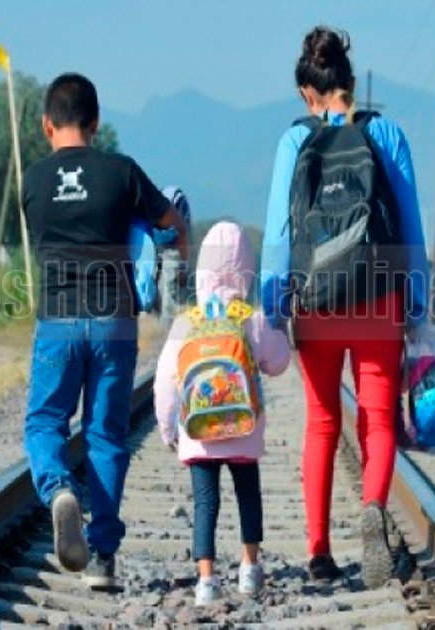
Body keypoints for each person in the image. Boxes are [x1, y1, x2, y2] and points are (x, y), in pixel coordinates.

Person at [260, 26, 430, 588]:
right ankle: (373, 508)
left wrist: (274, 307)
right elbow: (410, 227)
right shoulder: (385, 133)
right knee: (378, 418)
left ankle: (318, 552)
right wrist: (418, 305)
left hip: (317, 302)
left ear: (306, 94)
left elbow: (280, 235)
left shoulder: (295, 141)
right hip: (379, 297)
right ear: (351, 84)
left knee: (322, 422)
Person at [21, 72, 188, 589]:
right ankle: (104, 558)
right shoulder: (122, 171)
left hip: (58, 320)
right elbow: (171, 223)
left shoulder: (33, 181)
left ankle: (59, 491)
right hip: (114, 321)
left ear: (47, 125)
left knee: (45, 423)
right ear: (96, 122)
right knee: (106, 435)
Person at [154, 222, 290, 606]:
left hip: (199, 433)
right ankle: (249, 568)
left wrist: (169, 430)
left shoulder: (187, 322)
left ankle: (206, 580)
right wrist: (279, 331)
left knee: (205, 503)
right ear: (246, 270)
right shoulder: (250, 318)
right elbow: (279, 362)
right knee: (248, 496)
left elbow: (165, 383)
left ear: (202, 269)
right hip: (243, 430)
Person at [155, 186, 193, 326]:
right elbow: (183, 234)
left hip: (160, 249)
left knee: (164, 302)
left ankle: (162, 332)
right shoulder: (177, 201)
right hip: (171, 251)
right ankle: (164, 333)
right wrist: (184, 267)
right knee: (167, 302)